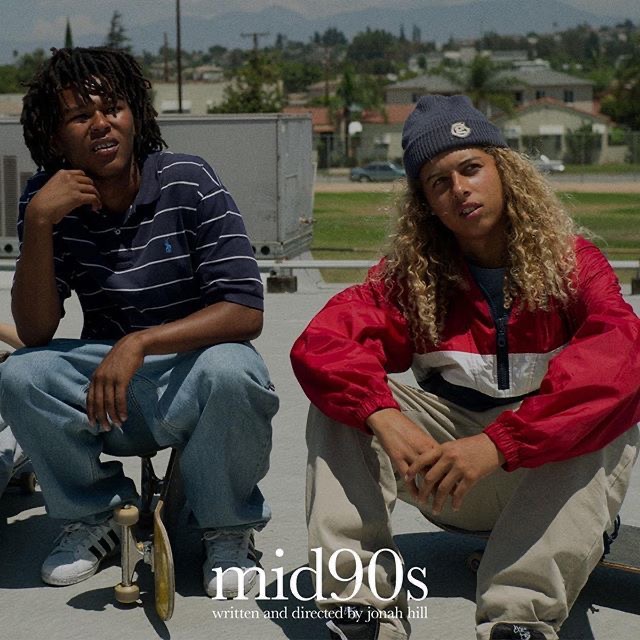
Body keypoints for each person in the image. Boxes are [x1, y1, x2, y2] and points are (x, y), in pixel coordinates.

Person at [290, 95, 640, 640]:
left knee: (613, 412)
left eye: (471, 168)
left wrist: (501, 444)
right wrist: (381, 413)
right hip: (449, 481)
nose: (459, 189)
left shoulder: (573, 265)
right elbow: (324, 342)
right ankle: (361, 605)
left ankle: (517, 618)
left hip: (547, 484)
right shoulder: (411, 278)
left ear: (504, 171)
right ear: (426, 204)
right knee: (343, 403)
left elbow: (621, 355)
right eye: (438, 182)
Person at [0, 47, 278, 598]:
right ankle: (96, 517)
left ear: (136, 116)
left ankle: (227, 528)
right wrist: (38, 221)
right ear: (55, 137)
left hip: (188, 376)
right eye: (80, 116)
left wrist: (139, 343)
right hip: (110, 391)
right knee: (20, 374)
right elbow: (34, 331)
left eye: (113, 108)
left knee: (234, 369)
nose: (101, 123)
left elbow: (246, 309)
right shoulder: (47, 199)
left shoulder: (188, 180)